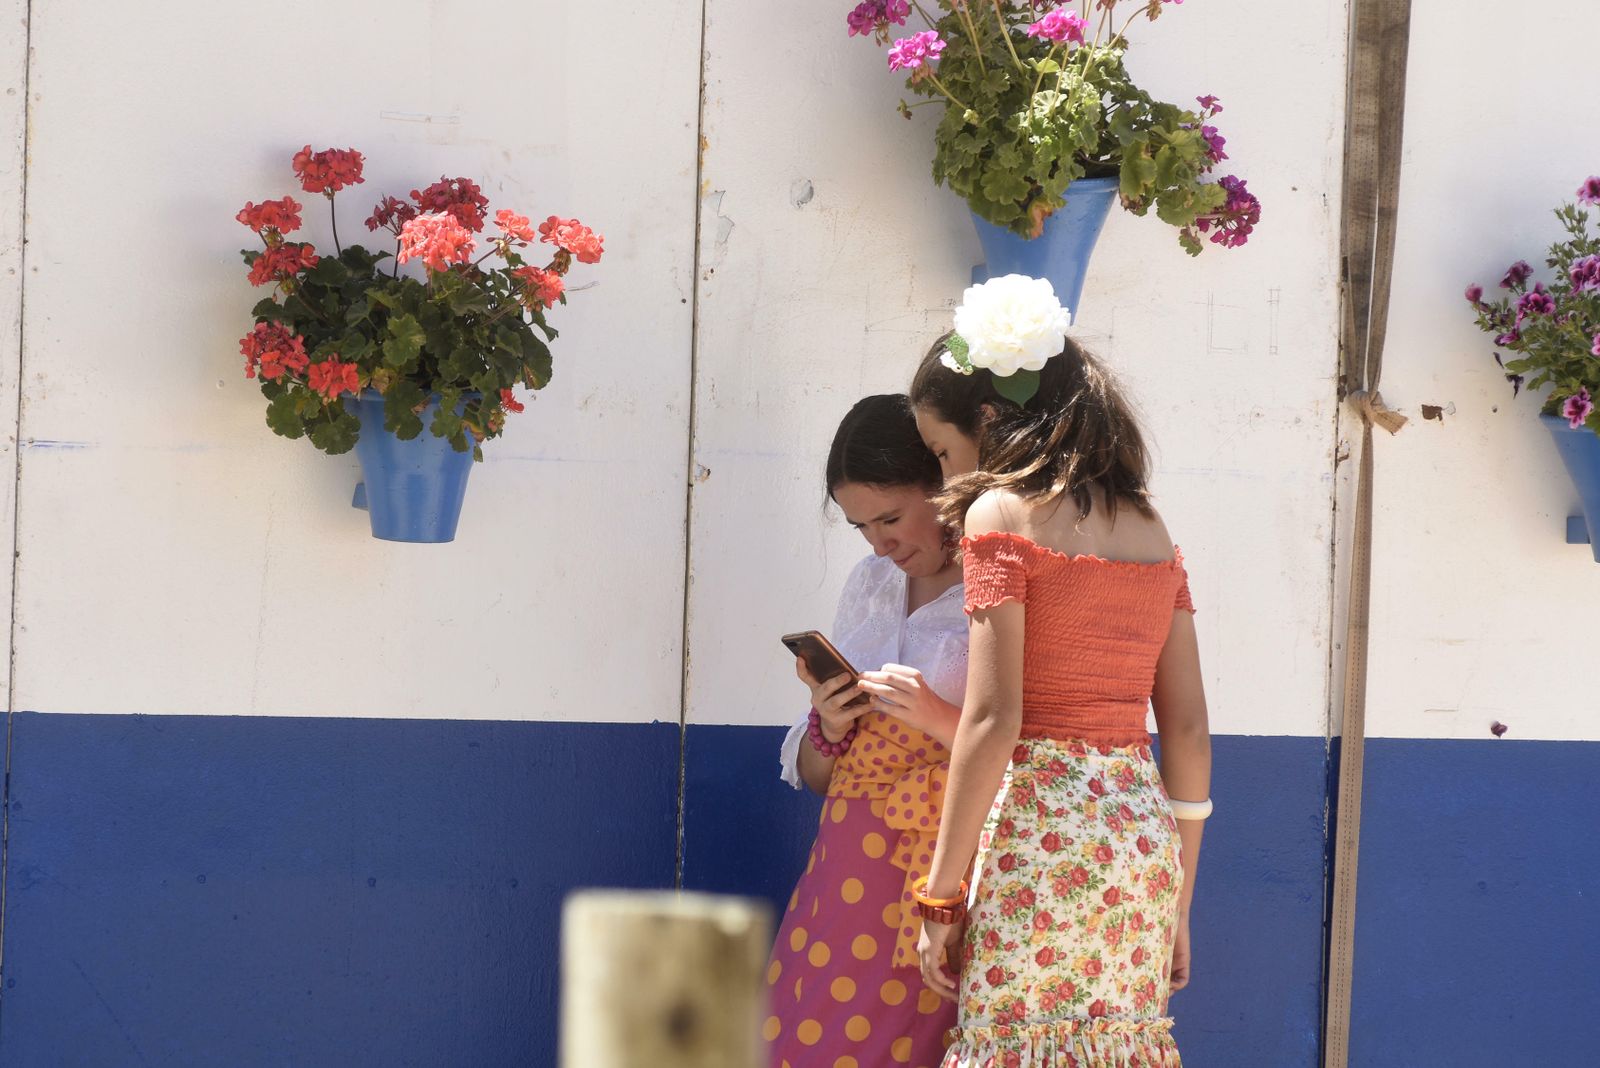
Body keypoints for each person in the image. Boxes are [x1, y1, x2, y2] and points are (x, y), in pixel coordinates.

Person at [908, 276, 1212, 1067]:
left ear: (987, 418)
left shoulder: (998, 515)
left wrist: (940, 894)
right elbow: (1186, 729)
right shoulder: (1150, 526)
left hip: (1040, 838)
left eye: (942, 451)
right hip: (1140, 843)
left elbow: (993, 720)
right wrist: (1179, 897)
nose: (945, 475)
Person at [765, 393, 978, 1068]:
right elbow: (818, 777)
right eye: (861, 527)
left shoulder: (997, 580)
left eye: (890, 518)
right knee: (814, 1037)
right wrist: (828, 724)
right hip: (846, 869)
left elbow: (1035, 745)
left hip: (947, 867)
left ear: (943, 484)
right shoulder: (869, 584)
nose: (880, 544)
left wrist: (936, 717)